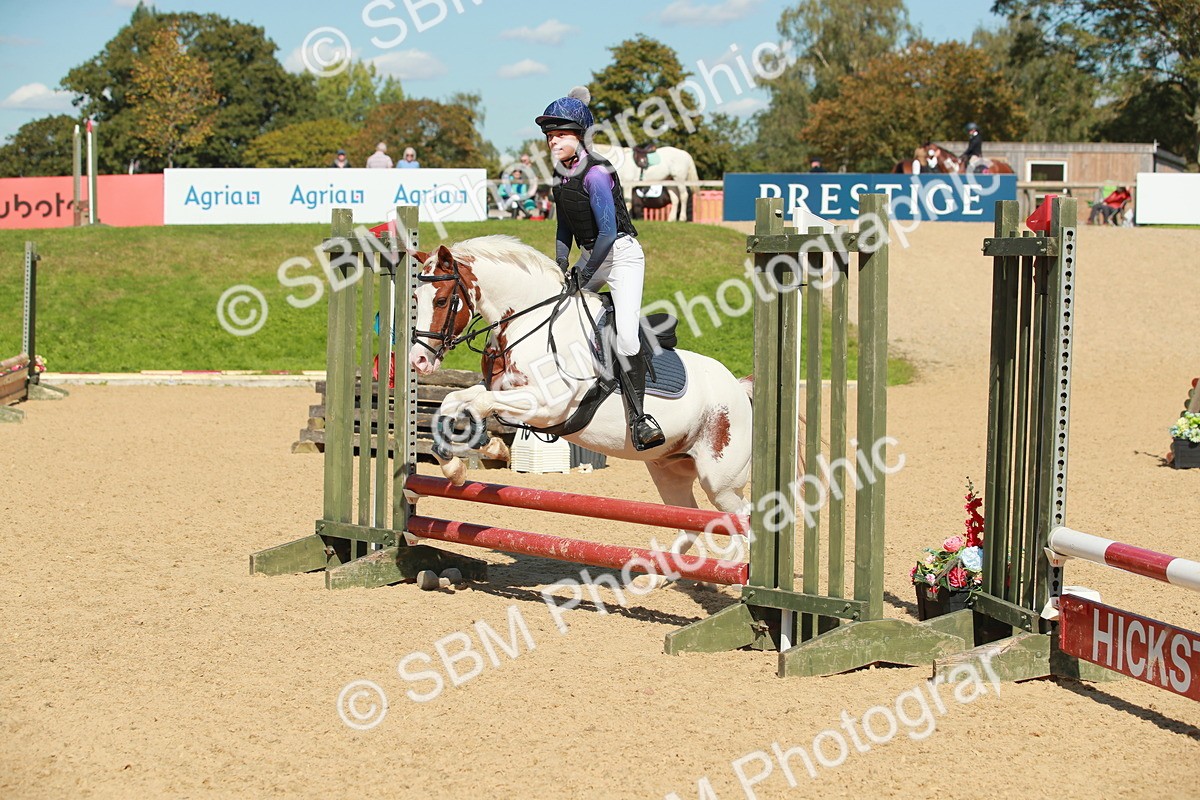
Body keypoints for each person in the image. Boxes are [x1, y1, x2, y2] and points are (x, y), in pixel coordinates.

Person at [535, 86, 664, 451]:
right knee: (556, 313)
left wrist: (586, 272)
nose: (553, 141)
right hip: (592, 254)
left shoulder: (596, 174)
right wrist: (560, 265)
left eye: (560, 134)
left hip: (621, 255)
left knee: (625, 336)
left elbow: (608, 232)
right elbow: (564, 228)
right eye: (549, 135)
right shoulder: (561, 176)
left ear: (581, 136)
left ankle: (640, 418)